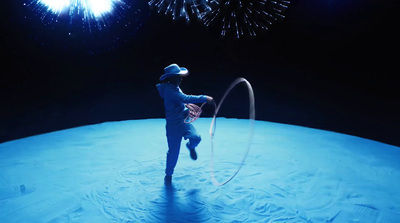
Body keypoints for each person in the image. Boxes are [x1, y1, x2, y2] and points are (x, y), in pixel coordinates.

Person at [156, 63, 213, 185]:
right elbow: (185, 98)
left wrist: (184, 107)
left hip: (183, 120)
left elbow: (180, 100)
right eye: (178, 76)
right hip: (173, 125)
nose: (180, 78)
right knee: (173, 151)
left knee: (196, 138)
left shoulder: (174, 86)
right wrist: (205, 98)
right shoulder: (170, 90)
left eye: (180, 76)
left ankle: (191, 147)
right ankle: (169, 174)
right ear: (171, 78)